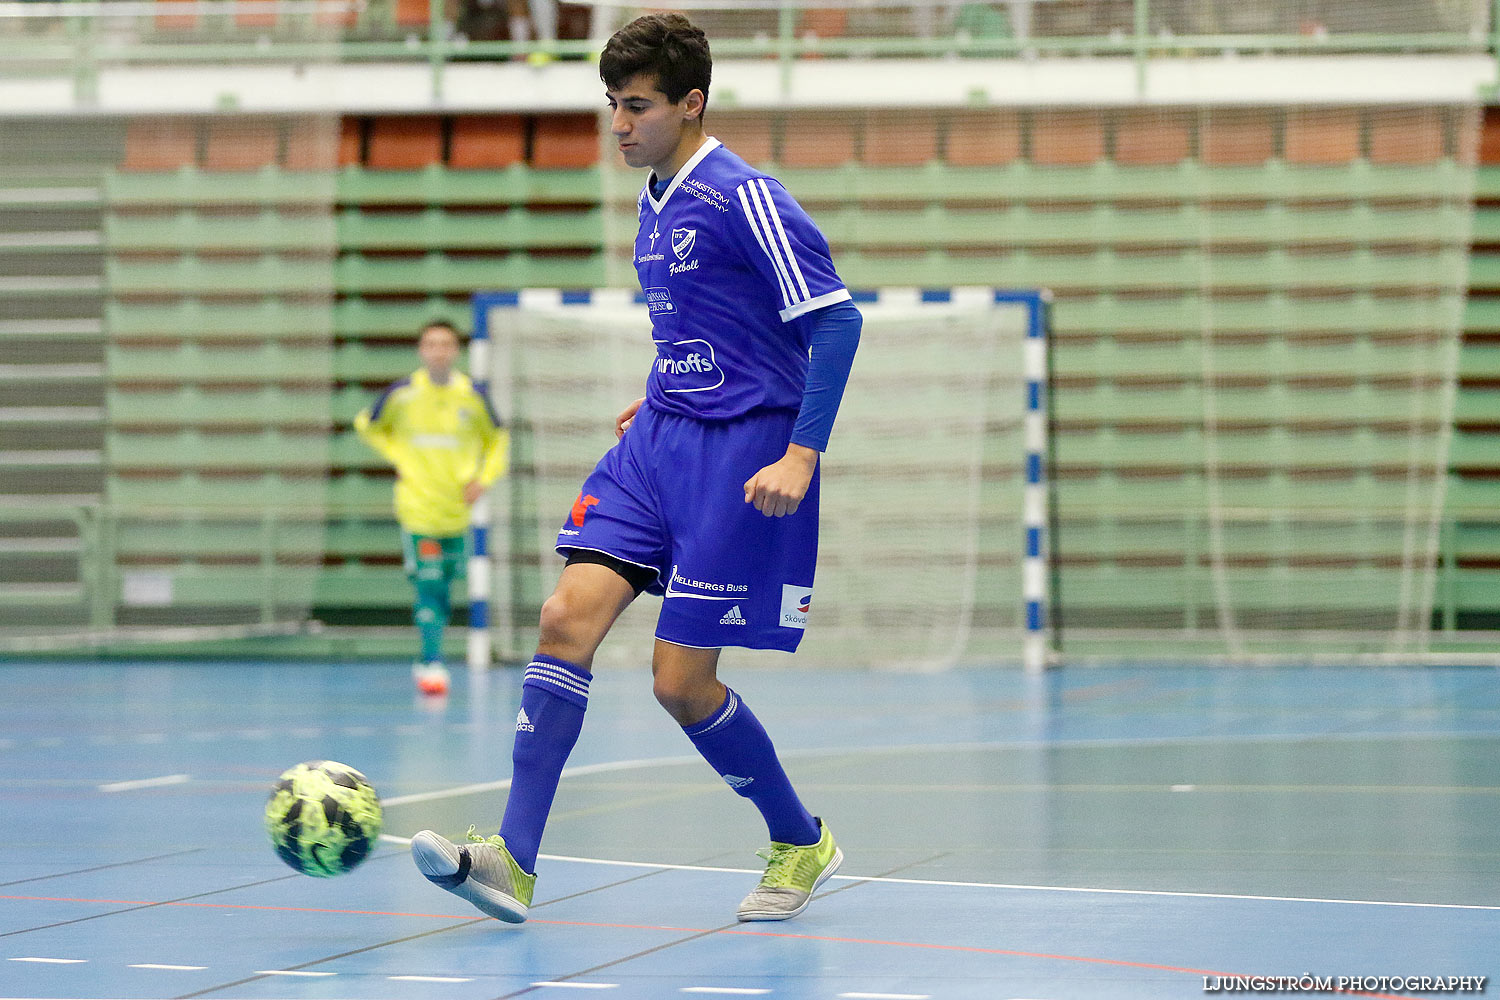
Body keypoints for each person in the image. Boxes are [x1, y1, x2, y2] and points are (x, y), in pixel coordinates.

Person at [409, 11, 862, 924]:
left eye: (640, 106)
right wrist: (659, 383)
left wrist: (802, 452)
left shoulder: (746, 196)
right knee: (563, 618)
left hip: (742, 458)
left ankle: (801, 840)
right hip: (656, 442)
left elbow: (836, 322)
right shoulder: (654, 200)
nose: (620, 124)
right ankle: (512, 860)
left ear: (692, 103)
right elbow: (708, 325)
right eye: (613, 105)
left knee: (678, 684)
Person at [354, 320, 509, 696]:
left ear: (456, 350)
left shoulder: (473, 395)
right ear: (421, 350)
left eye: (445, 344)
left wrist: (483, 479)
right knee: (428, 585)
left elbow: (498, 438)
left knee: (444, 588)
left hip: (456, 512)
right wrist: (399, 457)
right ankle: (431, 663)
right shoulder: (402, 394)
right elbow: (366, 424)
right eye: (430, 343)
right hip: (417, 508)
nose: (438, 350)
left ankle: (430, 656)